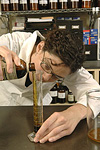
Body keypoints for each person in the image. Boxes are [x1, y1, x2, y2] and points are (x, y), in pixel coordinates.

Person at [0, 29, 99, 143]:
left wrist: (76, 112)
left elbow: (96, 92)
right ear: (40, 47)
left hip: (36, 115)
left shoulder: (68, 66)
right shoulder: (12, 42)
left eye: (56, 76)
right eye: (46, 66)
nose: (46, 78)